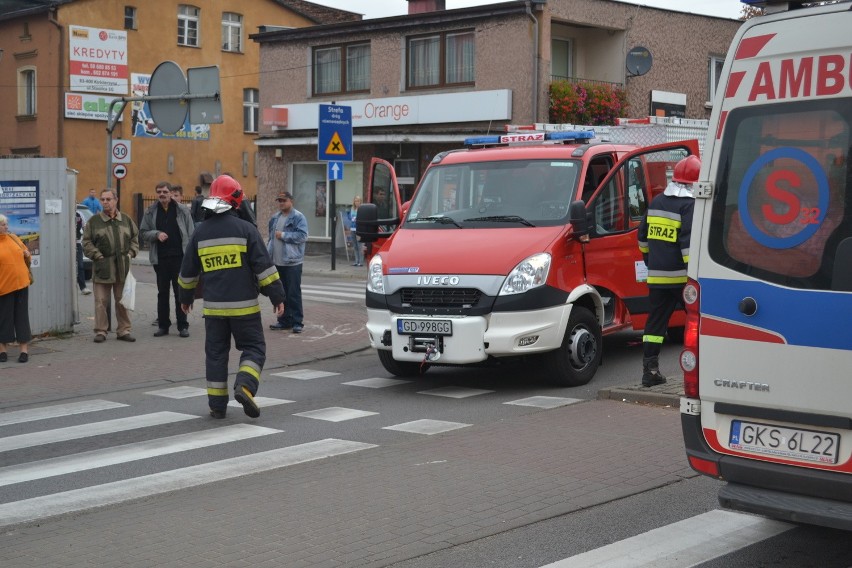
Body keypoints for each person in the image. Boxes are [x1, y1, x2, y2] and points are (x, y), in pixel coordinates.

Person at [177, 175, 285, 420]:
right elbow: (264, 268)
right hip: (244, 309)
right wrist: (277, 296)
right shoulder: (247, 230)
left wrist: (186, 298)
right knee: (254, 348)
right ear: (235, 200)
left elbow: (187, 272)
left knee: (215, 355)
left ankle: (217, 406)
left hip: (214, 311)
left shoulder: (199, 232)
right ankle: (245, 386)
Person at [637, 155, 699, 387]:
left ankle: (650, 372)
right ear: (693, 183)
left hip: (657, 277)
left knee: (654, 325)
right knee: (698, 323)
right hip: (683, 279)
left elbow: (642, 237)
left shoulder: (657, 202)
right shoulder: (689, 205)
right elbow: (687, 243)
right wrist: (694, 274)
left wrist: (650, 260)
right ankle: (702, 372)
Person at [82, 188, 140, 343]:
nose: (105, 202)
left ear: (116, 200)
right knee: (101, 301)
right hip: (102, 267)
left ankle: (124, 330)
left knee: (122, 301)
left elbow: (135, 239)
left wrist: (130, 253)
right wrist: (97, 255)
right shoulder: (94, 222)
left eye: (108, 199)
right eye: (102, 199)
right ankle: (101, 331)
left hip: (122, 267)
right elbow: (86, 242)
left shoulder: (126, 220)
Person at [140, 181, 194, 338]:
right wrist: (156, 234)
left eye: (164, 191)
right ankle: (163, 326)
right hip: (161, 259)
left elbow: (191, 234)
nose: (162, 194)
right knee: (162, 293)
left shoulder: (182, 210)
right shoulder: (150, 211)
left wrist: (191, 257)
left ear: (171, 193)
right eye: (159, 192)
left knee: (180, 293)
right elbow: (143, 232)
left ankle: (183, 326)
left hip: (179, 258)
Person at [267, 191, 308, 333]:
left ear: (291, 201)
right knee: (281, 293)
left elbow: (302, 236)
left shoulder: (298, 217)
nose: (281, 203)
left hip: (292, 262)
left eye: (283, 200)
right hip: (277, 262)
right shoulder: (275, 218)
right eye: (279, 201)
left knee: (293, 293)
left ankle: (297, 322)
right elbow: (271, 239)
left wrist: (283, 235)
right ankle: (284, 320)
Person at [0, 214, 32, 363]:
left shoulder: (14, 238)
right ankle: (2, 351)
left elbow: (27, 256)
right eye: (3, 225)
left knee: (21, 318)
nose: (6, 227)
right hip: (4, 287)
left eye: (6, 224)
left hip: (21, 284)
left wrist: (27, 255)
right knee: (4, 319)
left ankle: (24, 351)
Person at [75, 210, 92, 295]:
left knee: (80, 266)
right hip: (66, 245)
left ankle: (83, 287)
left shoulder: (79, 214)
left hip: (77, 243)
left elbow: (84, 227)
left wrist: (85, 240)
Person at [344, 195, 364, 266]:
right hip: (352, 229)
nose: (357, 202)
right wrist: (348, 213)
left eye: (358, 201)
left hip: (359, 229)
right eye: (355, 201)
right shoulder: (352, 209)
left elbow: (363, 219)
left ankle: (361, 262)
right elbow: (350, 218)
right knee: (355, 246)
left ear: (360, 202)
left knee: (359, 246)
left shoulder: (362, 209)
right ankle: (356, 261)